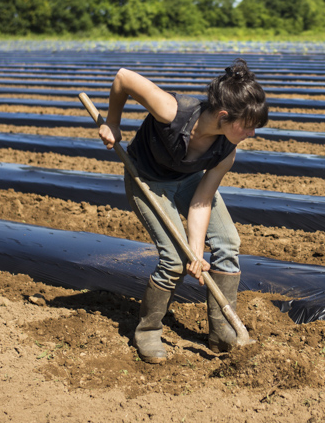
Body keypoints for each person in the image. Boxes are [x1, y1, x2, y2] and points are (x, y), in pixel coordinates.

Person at [97, 58, 268, 364]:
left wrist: (197, 249)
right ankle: (148, 330)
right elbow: (123, 77)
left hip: (188, 181)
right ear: (225, 116)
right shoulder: (171, 111)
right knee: (174, 260)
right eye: (248, 126)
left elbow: (202, 200)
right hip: (147, 180)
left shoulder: (226, 152)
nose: (252, 133)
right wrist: (112, 121)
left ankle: (223, 332)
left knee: (228, 243)